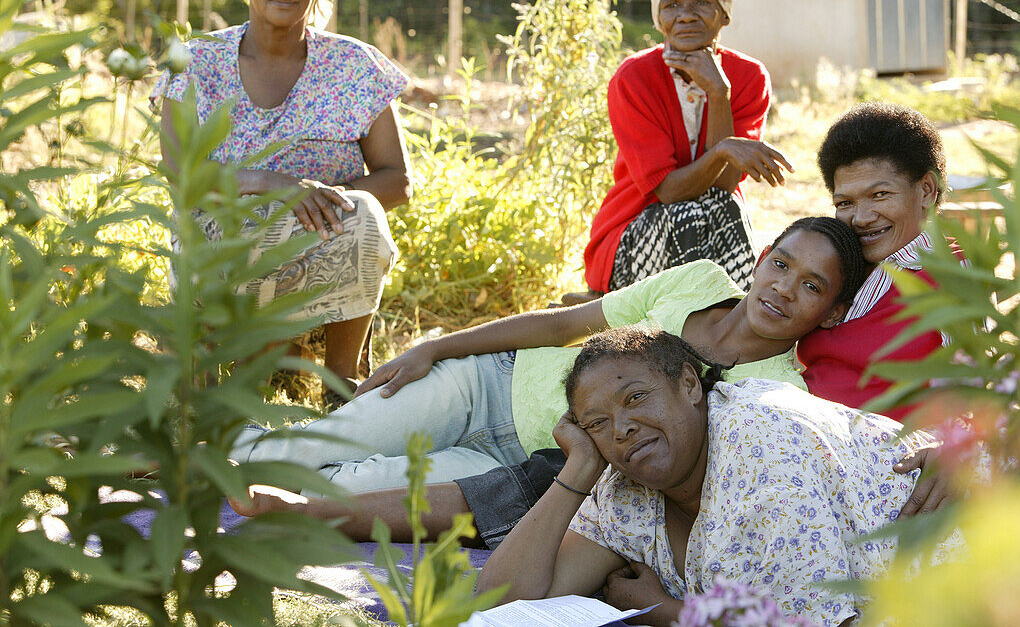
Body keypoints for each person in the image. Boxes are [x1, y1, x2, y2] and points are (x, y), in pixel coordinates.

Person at [231, 217, 867, 535]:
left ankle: (223, 492)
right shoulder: (699, 280)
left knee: (351, 486)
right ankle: (167, 462)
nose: (784, 288)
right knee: (314, 443)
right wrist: (439, 346)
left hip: (530, 463)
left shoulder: (774, 389)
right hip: (487, 385)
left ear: (833, 311)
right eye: (780, 264)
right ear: (762, 259)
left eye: (812, 286)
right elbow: (564, 325)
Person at [477, 327, 932, 626]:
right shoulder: (626, 490)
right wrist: (578, 467)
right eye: (596, 423)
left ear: (690, 385)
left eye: (636, 398)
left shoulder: (757, 442)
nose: (621, 429)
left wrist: (673, 613)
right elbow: (502, 601)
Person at [152, 0, 411, 388]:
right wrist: (279, 186)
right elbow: (180, 178)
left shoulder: (355, 66)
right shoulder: (195, 62)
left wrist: (323, 201)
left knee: (367, 217)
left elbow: (397, 181)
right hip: (223, 232)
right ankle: (238, 381)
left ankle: (342, 385)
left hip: (324, 232)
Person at [583, 0, 792, 295]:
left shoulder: (748, 77)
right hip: (630, 234)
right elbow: (668, 191)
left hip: (713, 224)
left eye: (701, 2)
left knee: (724, 206)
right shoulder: (634, 78)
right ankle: (700, 326)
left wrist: (718, 93)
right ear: (658, 18)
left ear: (724, 14)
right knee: (690, 215)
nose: (686, 16)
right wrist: (724, 149)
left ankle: (727, 321)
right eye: (672, 5)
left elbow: (723, 185)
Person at [799, 102, 964, 515]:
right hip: (805, 447)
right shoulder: (832, 261)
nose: (861, 217)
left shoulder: (949, 274)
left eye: (880, 195)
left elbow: (974, 377)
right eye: (844, 202)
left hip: (882, 469)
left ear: (926, 190)